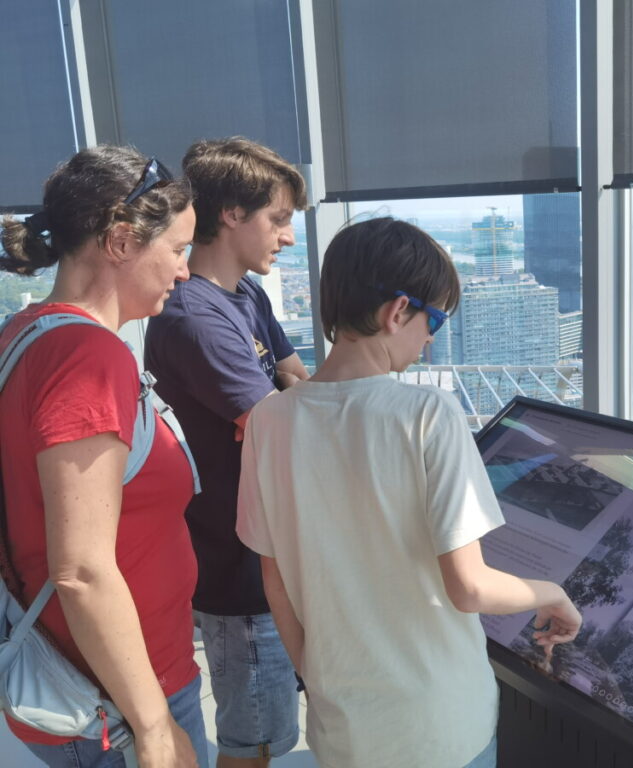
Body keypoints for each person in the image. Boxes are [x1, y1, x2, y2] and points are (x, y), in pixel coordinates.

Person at [235, 217, 583, 768]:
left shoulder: (268, 419)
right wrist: (553, 594)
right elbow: (469, 588)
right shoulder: (427, 413)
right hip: (437, 725)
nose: (430, 339)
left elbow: (274, 578)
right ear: (398, 311)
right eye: (435, 320)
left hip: (343, 727)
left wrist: (318, 676)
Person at [0, 146, 205, 767]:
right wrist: (156, 729)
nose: (185, 272)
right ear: (120, 241)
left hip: (83, 684)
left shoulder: (24, 333)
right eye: (177, 250)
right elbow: (82, 570)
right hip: (116, 704)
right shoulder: (90, 358)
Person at [143, 137, 308, 767]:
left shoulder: (245, 296)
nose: (288, 238)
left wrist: (278, 410)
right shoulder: (194, 317)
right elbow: (283, 425)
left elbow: (297, 388)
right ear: (233, 214)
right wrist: (277, 412)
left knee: (269, 728)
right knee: (255, 738)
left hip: (265, 554)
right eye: (279, 218)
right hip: (235, 568)